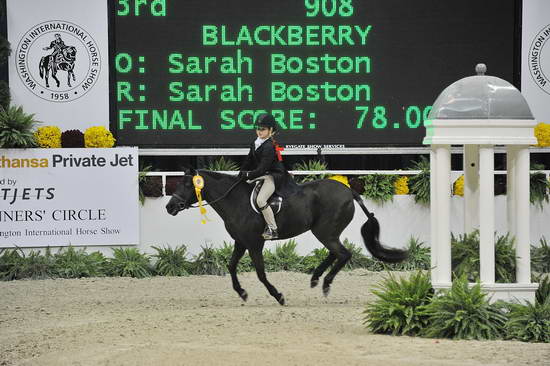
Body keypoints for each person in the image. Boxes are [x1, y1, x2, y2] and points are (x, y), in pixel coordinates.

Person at [239, 113, 296, 240]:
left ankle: (272, 229)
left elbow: (263, 168)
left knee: (261, 200)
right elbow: (248, 161)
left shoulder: (269, 146)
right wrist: (240, 174)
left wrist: (248, 174)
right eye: (258, 128)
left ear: (271, 130)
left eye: (263, 129)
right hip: (262, 175)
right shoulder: (255, 143)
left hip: (273, 176)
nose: (259, 131)